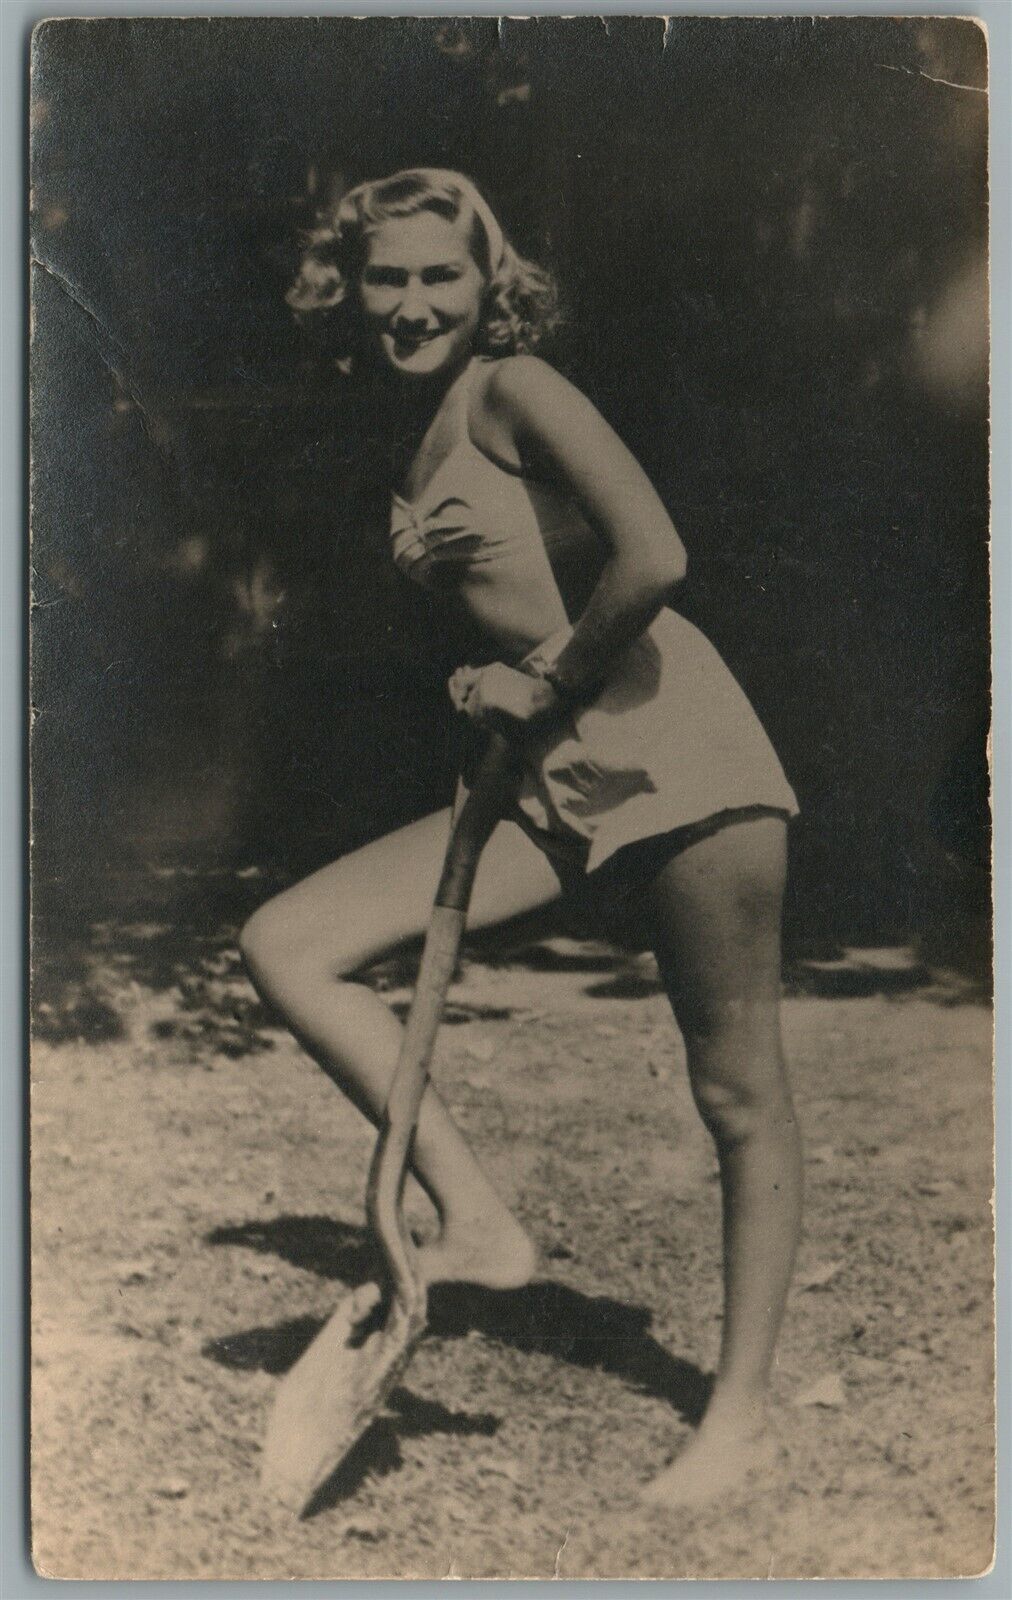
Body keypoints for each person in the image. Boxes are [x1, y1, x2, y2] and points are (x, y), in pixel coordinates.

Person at [240, 167, 802, 1507]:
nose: (416, 301)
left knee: (735, 1094)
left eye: (444, 275)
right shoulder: (408, 420)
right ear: (352, 286)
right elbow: (505, 601)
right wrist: (501, 702)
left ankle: (739, 1415)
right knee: (291, 944)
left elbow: (655, 556)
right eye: (391, 276)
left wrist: (542, 680)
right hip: (550, 774)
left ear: (489, 283)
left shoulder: (515, 388)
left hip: (679, 751)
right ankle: (478, 1220)